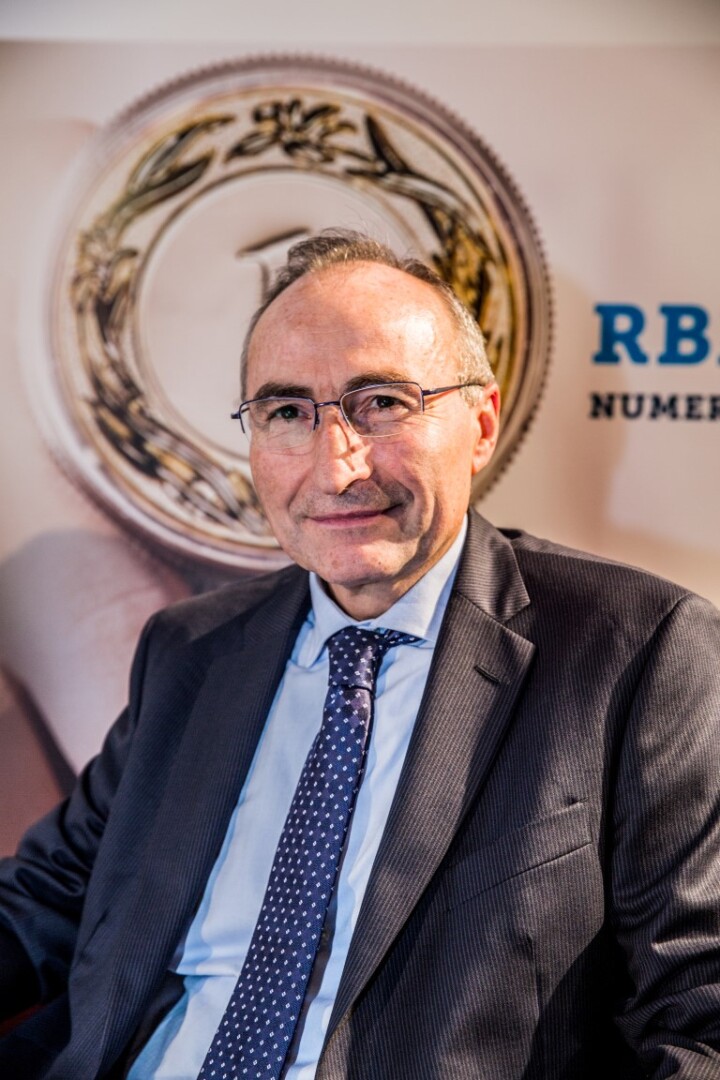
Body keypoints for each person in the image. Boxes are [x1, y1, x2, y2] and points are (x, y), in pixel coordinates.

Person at [1, 230, 720, 1080]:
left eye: (381, 403)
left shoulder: (636, 649)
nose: (336, 468)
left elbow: (700, 1010)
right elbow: (43, 903)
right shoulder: (192, 651)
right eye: (287, 413)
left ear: (481, 424)